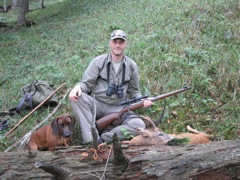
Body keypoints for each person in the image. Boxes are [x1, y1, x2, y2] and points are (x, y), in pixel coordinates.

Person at [69, 30, 152, 144]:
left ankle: (104, 138)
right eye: (115, 42)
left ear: (125, 44)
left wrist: (142, 100)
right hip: (97, 103)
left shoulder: (131, 65)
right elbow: (85, 84)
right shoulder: (98, 62)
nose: (117, 45)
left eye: (121, 42)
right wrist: (77, 87)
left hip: (119, 107)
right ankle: (90, 140)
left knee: (138, 124)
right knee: (77, 98)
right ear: (110, 43)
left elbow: (134, 91)